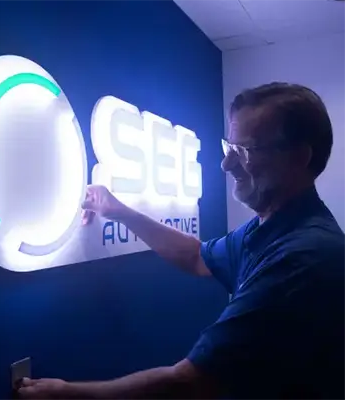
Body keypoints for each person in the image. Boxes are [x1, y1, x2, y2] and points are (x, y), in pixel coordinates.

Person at [18, 83, 345, 399]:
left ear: (300, 157)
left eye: (244, 151)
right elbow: (196, 257)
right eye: (228, 147)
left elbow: (190, 384)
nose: (226, 164)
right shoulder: (269, 229)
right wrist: (117, 210)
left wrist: (64, 394)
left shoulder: (303, 258)